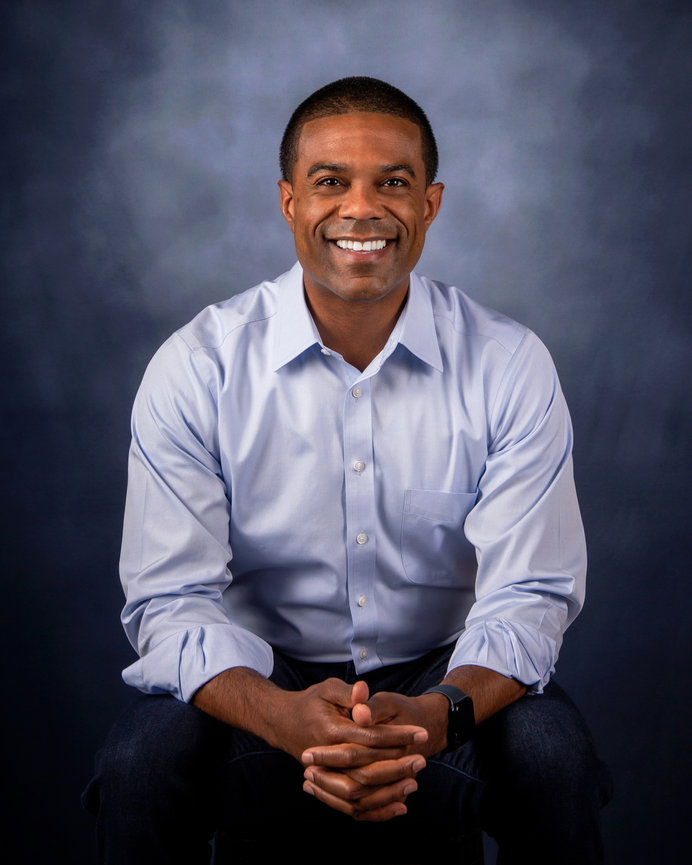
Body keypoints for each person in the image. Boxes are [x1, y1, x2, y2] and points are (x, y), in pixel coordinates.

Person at [83, 76, 611, 864]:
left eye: (392, 183)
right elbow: (170, 600)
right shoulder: (198, 367)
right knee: (138, 764)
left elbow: (530, 593)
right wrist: (277, 712)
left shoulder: (508, 363)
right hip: (259, 674)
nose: (361, 209)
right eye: (330, 181)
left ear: (429, 204)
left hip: (447, 672)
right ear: (289, 200)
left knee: (553, 756)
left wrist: (437, 714)